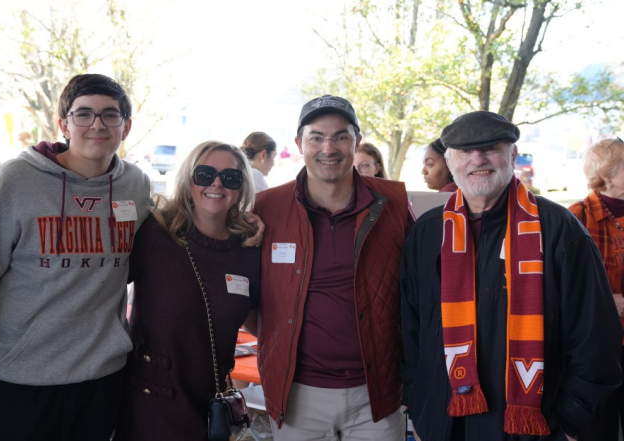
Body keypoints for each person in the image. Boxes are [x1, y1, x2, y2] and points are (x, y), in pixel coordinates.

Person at [401, 111, 622, 441]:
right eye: (465, 151)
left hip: (533, 427)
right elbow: (409, 328)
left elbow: (595, 339)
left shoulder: (559, 229)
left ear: (512, 154)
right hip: (443, 423)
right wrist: (419, 409)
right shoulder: (428, 231)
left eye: (491, 147)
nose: (478, 158)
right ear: (451, 160)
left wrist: (570, 423)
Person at [0, 73, 152, 441]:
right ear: (64, 123)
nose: (97, 125)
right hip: (17, 376)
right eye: (83, 114)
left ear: (126, 126)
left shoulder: (137, 185)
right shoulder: (15, 181)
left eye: (109, 115)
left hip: (101, 377)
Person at [252, 94, 413, 440]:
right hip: (297, 396)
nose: (329, 147)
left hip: (377, 395)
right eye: (316, 137)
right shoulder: (266, 207)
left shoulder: (394, 203)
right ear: (299, 143)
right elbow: (248, 295)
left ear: (357, 142)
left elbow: (419, 289)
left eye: (341, 136)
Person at [115, 141, 261, 440]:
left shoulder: (247, 250)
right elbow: (101, 289)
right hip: (150, 404)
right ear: (187, 180)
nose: (217, 183)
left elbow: (257, 320)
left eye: (230, 177)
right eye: (204, 174)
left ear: (241, 187)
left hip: (209, 408)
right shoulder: (155, 234)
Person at [568, 136, 624, 440]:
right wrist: (605, 301)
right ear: (607, 172)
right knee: (596, 430)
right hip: (597, 345)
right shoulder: (578, 216)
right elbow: (562, 285)